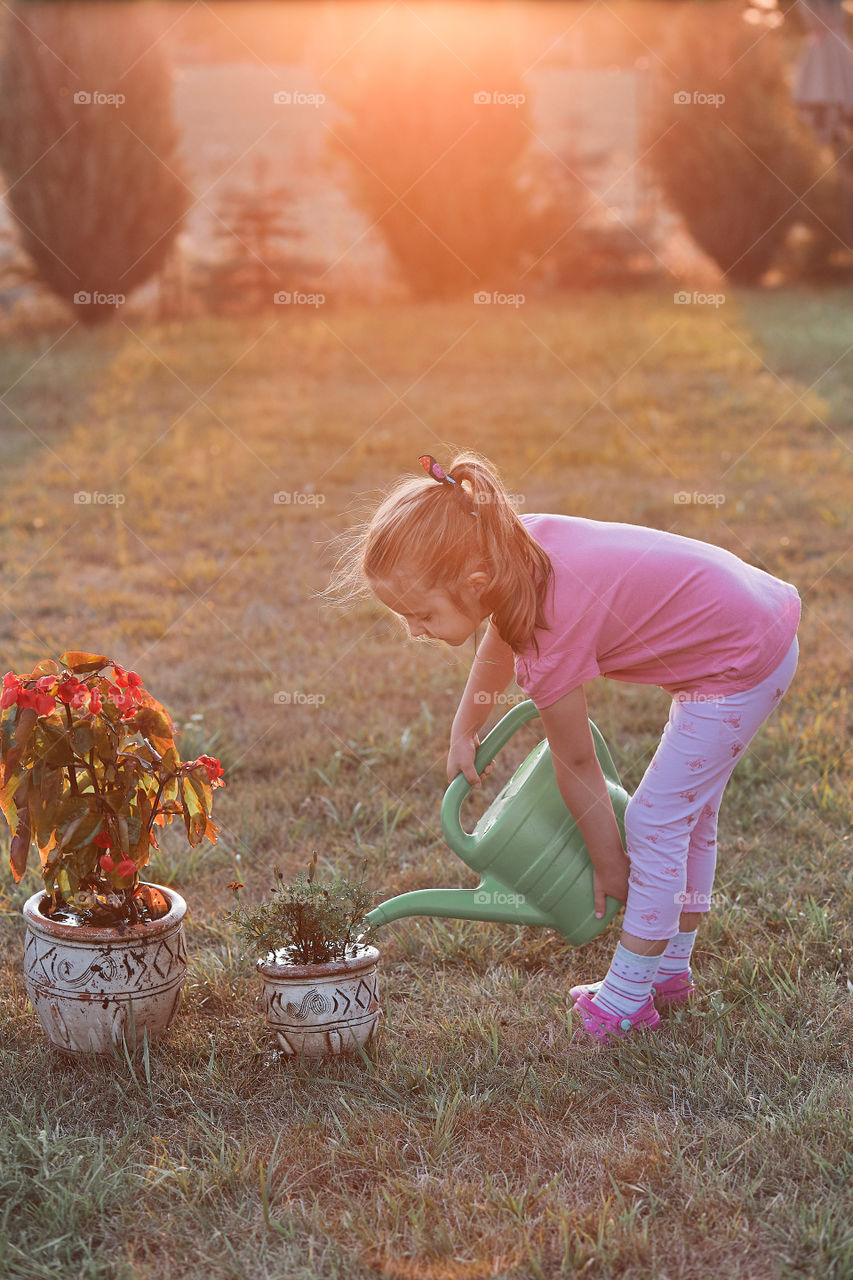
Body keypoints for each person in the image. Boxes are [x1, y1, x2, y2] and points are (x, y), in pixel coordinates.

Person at [331, 450, 801, 1043]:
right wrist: (466, 724)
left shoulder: (551, 626)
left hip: (739, 665)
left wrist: (609, 862)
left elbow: (576, 762)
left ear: (474, 585)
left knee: (656, 820)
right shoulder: (510, 549)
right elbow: (503, 631)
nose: (412, 629)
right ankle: (669, 975)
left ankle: (626, 1001)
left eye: (420, 613)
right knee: (689, 813)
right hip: (750, 629)